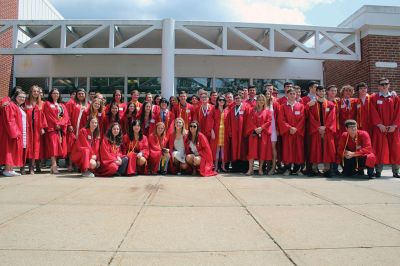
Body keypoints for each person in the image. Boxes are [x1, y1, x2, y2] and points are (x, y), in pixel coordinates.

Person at [370, 78, 400, 178]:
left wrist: (395, 125)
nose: (384, 86)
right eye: (382, 84)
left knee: (395, 149)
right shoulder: (374, 98)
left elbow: (398, 112)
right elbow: (373, 112)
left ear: (389, 85)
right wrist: (379, 124)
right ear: (378, 86)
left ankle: (396, 171)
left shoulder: (395, 98)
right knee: (379, 149)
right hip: (380, 129)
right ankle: (378, 171)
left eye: (386, 84)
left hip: (393, 129)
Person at [307, 85, 337, 177]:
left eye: (323, 91)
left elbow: (332, 118)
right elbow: (310, 118)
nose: (321, 93)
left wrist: (325, 127)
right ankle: (314, 169)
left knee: (327, 150)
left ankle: (327, 169)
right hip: (316, 131)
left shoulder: (330, 104)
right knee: (316, 149)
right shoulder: (312, 104)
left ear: (325, 92)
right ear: (316, 92)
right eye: (319, 91)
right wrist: (318, 128)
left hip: (327, 131)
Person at [278, 88, 305, 175]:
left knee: (298, 150)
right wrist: (289, 128)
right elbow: (281, 120)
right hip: (287, 133)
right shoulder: (283, 106)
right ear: (287, 95)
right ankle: (288, 169)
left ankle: (297, 169)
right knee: (287, 150)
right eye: (291, 94)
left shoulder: (300, 106)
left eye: (294, 94)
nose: (293, 95)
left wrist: (296, 128)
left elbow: (303, 119)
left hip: (297, 133)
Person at [2, 90, 29, 176]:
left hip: (18, 132)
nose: (22, 98)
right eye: (20, 96)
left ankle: (11, 169)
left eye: (24, 97)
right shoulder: (10, 105)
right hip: (12, 132)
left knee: (13, 150)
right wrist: (15, 132)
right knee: (9, 150)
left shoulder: (18, 106)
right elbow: (10, 120)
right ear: (15, 96)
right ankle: (7, 169)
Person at [244, 94, 272, 175]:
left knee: (262, 151)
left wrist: (261, 128)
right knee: (252, 151)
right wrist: (255, 128)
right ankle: (250, 169)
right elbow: (249, 121)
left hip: (263, 134)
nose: (261, 101)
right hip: (253, 133)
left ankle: (260, 169)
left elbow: (269, 121)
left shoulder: (267, 111)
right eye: (259, 100)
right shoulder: (252, 110)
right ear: (257, 101)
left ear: (265, 101)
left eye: (262, 100)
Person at [43, 88, 69, 174]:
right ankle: (54, 165)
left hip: (60, 129)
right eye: (54, 93)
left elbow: (66, 117)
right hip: (52, 129)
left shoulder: (62, 105)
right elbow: (48, 115)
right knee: (53, 147)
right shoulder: (47, 104)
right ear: (50, 94)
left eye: (57, 93)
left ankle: (53, 166)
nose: (56, 95)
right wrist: (56, 124)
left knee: (59, 147)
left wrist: (61, 124)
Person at [25, 85, 47, 174]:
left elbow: (43, 116)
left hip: (38, 130)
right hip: (28, 129)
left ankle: (36, 166)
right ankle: (30, 167)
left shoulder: (42, 103)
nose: (36, 93)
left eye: (37, 91)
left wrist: (42, 127)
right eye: (34, 91)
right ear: (30, 92)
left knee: (37, 148)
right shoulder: (26, 102)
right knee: (29, 148)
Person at [67, 88, 89, 171]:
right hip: (73, 128)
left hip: (83, 129)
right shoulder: (72, 103)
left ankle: (79, 164)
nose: (81, 95)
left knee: (81, 146)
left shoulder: (88, 104)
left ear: (85, 95)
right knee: (72, 146)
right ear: (76, 95)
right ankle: (70, 164)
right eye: (79, 93)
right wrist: (69, 125)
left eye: (82, 93)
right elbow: (67, 115)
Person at [226, 93, 247, 172]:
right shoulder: (232, 109)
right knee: (234, 149)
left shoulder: (245, 108)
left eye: (239, 98)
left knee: (242, 149)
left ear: (241, 99)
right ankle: (235, 167)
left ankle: (244, 167)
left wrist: (246, 132)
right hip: (234, 133)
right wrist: (230, 131)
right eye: (236, 98)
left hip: (242, 132)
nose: (237, 100)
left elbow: (248, 121)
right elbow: (228, 122)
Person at [210, 96, 229, 172]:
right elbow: (210, 120)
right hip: (216, 131)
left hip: (224, 131)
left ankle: (223, 166)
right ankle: (216, 166)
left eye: (223, 100)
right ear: (217, 101)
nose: (221, 101)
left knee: (223, 150)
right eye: (220, 100)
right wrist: (212, 131)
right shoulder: (214, 109)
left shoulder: (227, 110)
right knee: (216, 150)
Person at [265, 89, 280, 174]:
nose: (268, 95)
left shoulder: (275, 104)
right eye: (266, 94)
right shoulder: (262, 104)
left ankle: (273, 168)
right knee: (265, 148)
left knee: (273, 147)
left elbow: (279, 117)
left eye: (269, 94)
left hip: (273, 128)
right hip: (265, 129)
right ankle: (267, 166)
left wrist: (278, 129)